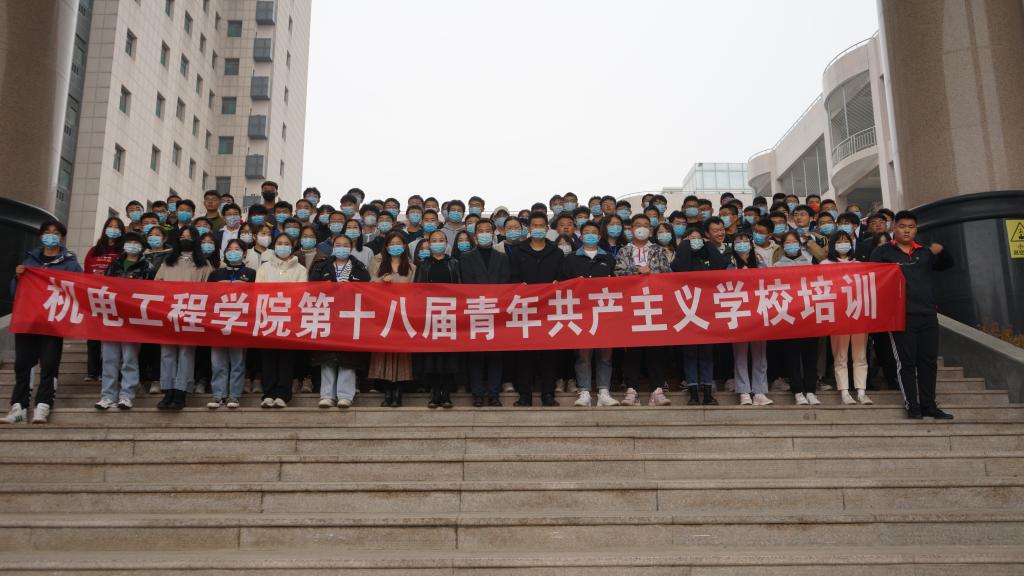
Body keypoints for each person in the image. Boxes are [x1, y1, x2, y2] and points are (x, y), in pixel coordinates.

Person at [871, 210, 954, 419]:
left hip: (928, 314)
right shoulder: (883, 252)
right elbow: (872, 278)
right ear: (894, 228)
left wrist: (942, 251)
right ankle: (912, 405)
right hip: (901, 316)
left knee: (928, 362)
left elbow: (946, 265)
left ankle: (929, 405)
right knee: (906, 362)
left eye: (911, 227)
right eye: (902, 226)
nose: (906, 230)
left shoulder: (924, 252)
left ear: (916, 229)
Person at [4, 221, 83, 424]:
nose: (51, 236)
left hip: (53, 322)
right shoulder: (30, 261)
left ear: (62, 237)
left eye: (56, 233)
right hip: (28, 320)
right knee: (23, 363)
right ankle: (19, 406)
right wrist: (18, 278)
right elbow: (15, 292)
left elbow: (81, 289)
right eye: (47, 232)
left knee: (49, 363)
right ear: (40, 236)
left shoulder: (70, 264)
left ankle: (43, 404)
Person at [614, 214, 672, 407]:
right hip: (631, 305)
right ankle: (632, 389)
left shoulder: (658, 250)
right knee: (632, 348)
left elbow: (668, 273)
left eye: (646, 225)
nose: (642, 228)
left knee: (656, 347)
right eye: (638, 225)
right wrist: (637, 272)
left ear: (651, 230)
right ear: (631, 229)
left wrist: (652, 273)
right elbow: (618, 274)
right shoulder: (624, 250)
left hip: (654, 304)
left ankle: (657, 389)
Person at [508, 212, 565, 407]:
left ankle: (548, 394)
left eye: (542, 225)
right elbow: (512, 278)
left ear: (547, 228)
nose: (538, 229)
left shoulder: (556, 252)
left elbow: (563, 278)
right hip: (525, 309)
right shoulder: (518, 251)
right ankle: (525, 395)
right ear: (529, 228)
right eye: (534, 225)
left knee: (549, 354)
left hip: (549, 309)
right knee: (525, 354)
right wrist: (519, 286)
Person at [308, 234, 371, 408]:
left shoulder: (359, 268)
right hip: (327, 315)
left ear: (350, 248)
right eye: (338, 245)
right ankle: (327, 395)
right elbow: (311, 289)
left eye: (345, 245)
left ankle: (345, 395)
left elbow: (368, 292)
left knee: (348, 357)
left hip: (350, 317)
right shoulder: (321, 267)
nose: (341, 248)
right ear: (333, 247)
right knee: (327, 357)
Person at [95, 232, 156, 411]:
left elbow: (152, 292)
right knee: (109, 358)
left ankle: (127, 395)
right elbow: (103, 287)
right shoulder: (114, 264)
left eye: (136, 242)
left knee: (130, 358)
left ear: (142, 246)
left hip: (133, 320)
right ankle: (107, 396)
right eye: (129, 242)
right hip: (112, 316)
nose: (132, 245)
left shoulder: (147, 267)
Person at [153, 227, 212, 410]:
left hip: (191, 313)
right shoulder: (167, 261)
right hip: (168, 312)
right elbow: (156, 285)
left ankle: (181, 391)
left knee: (187, 353)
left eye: (189, 237)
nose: (185, 239)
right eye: (182, 237)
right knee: (167, 352)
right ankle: (167, 390)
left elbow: (210, 291)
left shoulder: (204, 264)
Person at [561, 221, 619, 407]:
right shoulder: (571, 258)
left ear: (599, 236)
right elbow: (563, 284)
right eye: (587, 232)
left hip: (605, 311)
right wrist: (574, 283)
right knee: (583, 355)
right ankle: (584, 391)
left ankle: (604, 391)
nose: (591, 235)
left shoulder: (608, 258)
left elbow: (619, 282)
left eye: (594, 232)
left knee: (605, 355)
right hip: (581, 312)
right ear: (581, 235)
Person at [672, 224, 729, 405]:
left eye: (698, 238)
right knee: (689, 353)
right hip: (687, 310)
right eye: (691, 238)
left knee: (707, 353)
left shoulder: (708, 256)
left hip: (707, 310)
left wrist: (708, 244)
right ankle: (693, 392)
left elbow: (720, 266)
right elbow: (682, 268)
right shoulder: (680, 258)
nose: (695, 241)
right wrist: (685, 245)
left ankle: (707, 392)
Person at [459, 219, 510, 407]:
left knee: (496, 355)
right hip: (475, 311)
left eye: (488, 230)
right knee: (476, 355)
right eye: (481, 231)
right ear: (475, 235)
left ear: (494, 233)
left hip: (497, 311)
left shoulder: (502, 258)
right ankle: (477, 394)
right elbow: (466, 283)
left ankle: (494, 393)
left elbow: (505, 283)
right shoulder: (466, 258)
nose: (484, 234)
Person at [255, 233, 308, 408]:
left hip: (289, 319)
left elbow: (300, 294)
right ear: (274, 245)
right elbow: (258, 292)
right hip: (268, 318)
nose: (283, 246)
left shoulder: (300, 269)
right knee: (268, 358)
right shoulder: (264, 268)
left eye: (286, 243)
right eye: (279, 243)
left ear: (292, 246)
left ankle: (283, 395)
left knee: (286, 358)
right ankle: (268, 394)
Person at [821, 231, 873, 406]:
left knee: (860, 355)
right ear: (833, 244)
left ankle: (861, 391)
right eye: (839, 240)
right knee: (840, 355)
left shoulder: (859, 265)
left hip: (858, 314)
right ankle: (844, 391)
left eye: (846, 240)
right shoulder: (825, 264)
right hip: (837, 316)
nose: (843, 243)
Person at [413, 230, 462, 408]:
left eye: (441, 240)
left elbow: (461, 287)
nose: (437, 243)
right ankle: (434, 393)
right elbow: (417, 289)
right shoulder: (423, 264)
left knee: (448, 356)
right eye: (434, 240)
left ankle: (446, 393)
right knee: (432, 356)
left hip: (450, 315)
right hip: (430, 315)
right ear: (429, 243)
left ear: (446, 243)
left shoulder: (454, 263)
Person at [367, 232, 416, 407]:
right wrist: (382, 280)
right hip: (383, 315)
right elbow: (369, 287)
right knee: (383, 354)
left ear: (404, 246)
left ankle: (398, 393)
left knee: (402, 354)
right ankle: (386, 391)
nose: (395, 246)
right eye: (392, 243)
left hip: (403, 316)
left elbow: (416, 292)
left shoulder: (411, 267)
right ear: (387, 247)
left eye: (398, 243)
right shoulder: (378, 264)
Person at [205, 239, 256, 409]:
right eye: (230, 249)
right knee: (217, 362)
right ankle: (218, 395)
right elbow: (206, 297)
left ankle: (234, 396)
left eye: (237, 249)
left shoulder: (251, 274)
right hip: (218, 323)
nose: (233, 252)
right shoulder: (216, 274)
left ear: (244, 253)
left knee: (237, 362)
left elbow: (257, 298)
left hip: (240, 324)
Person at [773, 230, 820, 405]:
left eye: (794, 242)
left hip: (809, 315)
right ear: (782, 246)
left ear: (800, 244)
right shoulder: (776, 267)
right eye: (788, 243)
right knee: (792, 356)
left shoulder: (810, 264)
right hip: (789, 316)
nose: (791, 245)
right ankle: (798, 391)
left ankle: (811, 390)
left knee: (811, 356)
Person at [727, 232, 773, 407]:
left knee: (760, 354)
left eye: (745, 240)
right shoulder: (730, 265)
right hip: (738, 313)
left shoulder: (760, 264)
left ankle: (759, 391)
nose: (742, 243)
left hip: (758, 312)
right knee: (740, 354)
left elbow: (768, 283)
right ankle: (744, 391)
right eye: (738, 241)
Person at [82, 216, 126, 381]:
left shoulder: (123, 252)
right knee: (93, 335)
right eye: (110, 226)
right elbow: (86, 272)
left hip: (114, 298)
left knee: (110, 336)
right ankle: (92, 371)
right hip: (94, 296)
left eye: (117, 227)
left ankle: (106, 371)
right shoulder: (94, 251)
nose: (113, 229)